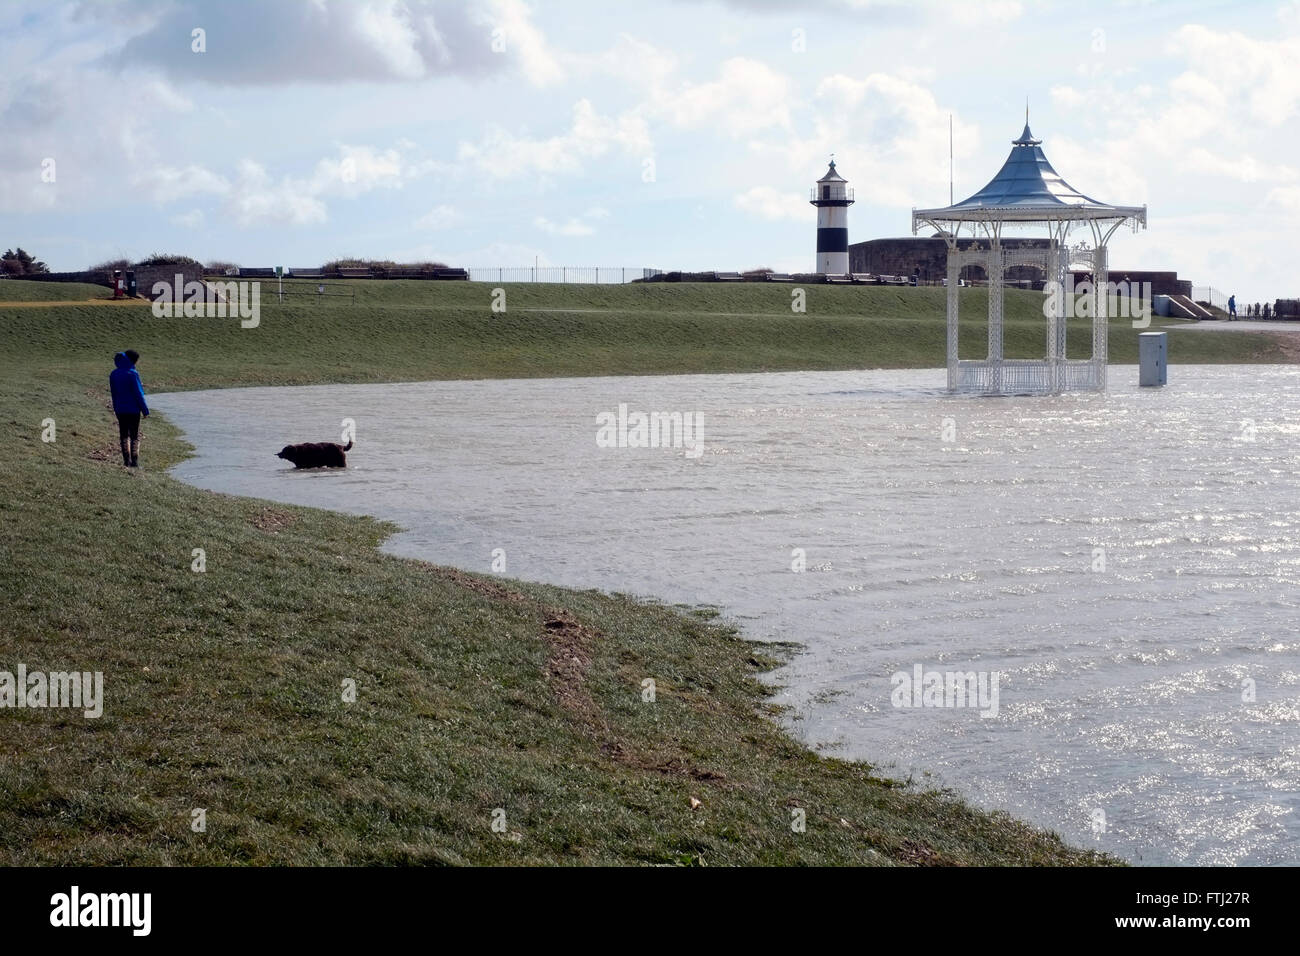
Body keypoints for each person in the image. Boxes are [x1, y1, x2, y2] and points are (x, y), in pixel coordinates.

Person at [109, 349, 149, 467]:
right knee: (134, 435)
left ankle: (126, 461)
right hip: (133, 410)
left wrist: (116, 408)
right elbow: (138, 394)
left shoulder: (113, 374)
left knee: (123, 434)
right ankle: (135, 462)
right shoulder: (133, 374)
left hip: (120, 409)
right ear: (133, 361)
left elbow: (114, 393)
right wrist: (145, 410)